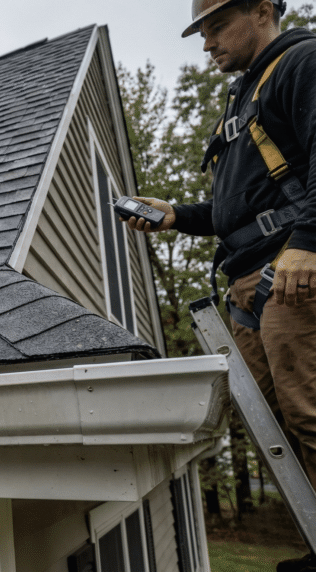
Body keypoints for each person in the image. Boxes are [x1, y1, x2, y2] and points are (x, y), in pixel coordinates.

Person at [126, 0, 316, 566]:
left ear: (262, 10)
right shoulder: (243, 98)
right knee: (278, 426)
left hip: (291, 271)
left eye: (215, 27)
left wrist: (309, 243)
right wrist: (176, 215)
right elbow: (238, 211)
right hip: (248, 285)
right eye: (202, 32)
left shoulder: (300, 62)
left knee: (309, 413)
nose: (206, 43)